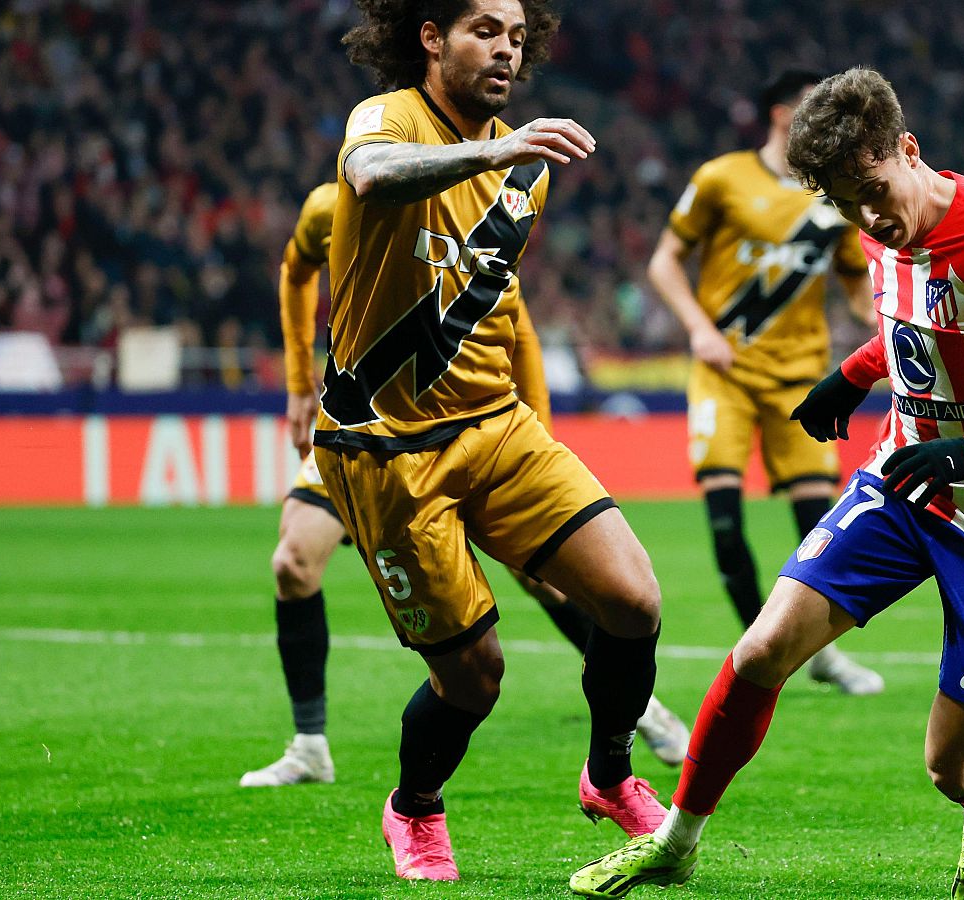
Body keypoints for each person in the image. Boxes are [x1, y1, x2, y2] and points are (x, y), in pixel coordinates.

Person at [571, 67, 964, 899]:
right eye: (843, 204)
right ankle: (675, 844)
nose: (867, 218)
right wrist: (855, 373)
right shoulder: (876, 232)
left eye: (871, 191)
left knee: (952, 767)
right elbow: (921, 322)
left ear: (908, 148)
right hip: (902, 487)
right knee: (761, 649)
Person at [318, 0, 671, 881]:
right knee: (474, 678)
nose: (506, 50)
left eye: (517, 36)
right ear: (431, 38)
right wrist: (493, 152)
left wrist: (536, 422)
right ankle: (414, 807)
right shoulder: (391, 118)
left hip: (496, 425)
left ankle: (609, 775)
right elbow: (371, 176)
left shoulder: (527, 172)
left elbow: (498, 302)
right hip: (387, 448)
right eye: (484, 30)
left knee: (633, 600)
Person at [238, 179, 688, 788]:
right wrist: (298, 385)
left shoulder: (471, 208)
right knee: (293, 562)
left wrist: (539, 439)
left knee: (541, 580)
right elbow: (295, 272)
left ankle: (641, 708)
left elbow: (519, 328)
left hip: (464, 430)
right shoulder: (335, 205)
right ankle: (310, 745)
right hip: (361, 427)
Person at [646, 69, 883, 696]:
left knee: (821, 531)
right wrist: (699, 329)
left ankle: (818, 653)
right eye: (815, 106)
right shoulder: (722, 178)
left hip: (800, 378)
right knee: (726, 522)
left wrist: (879, 313)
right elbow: (664, 260)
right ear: (782, 113)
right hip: (724, 372)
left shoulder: (833, 196)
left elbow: (855, 280)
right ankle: (764, 653)